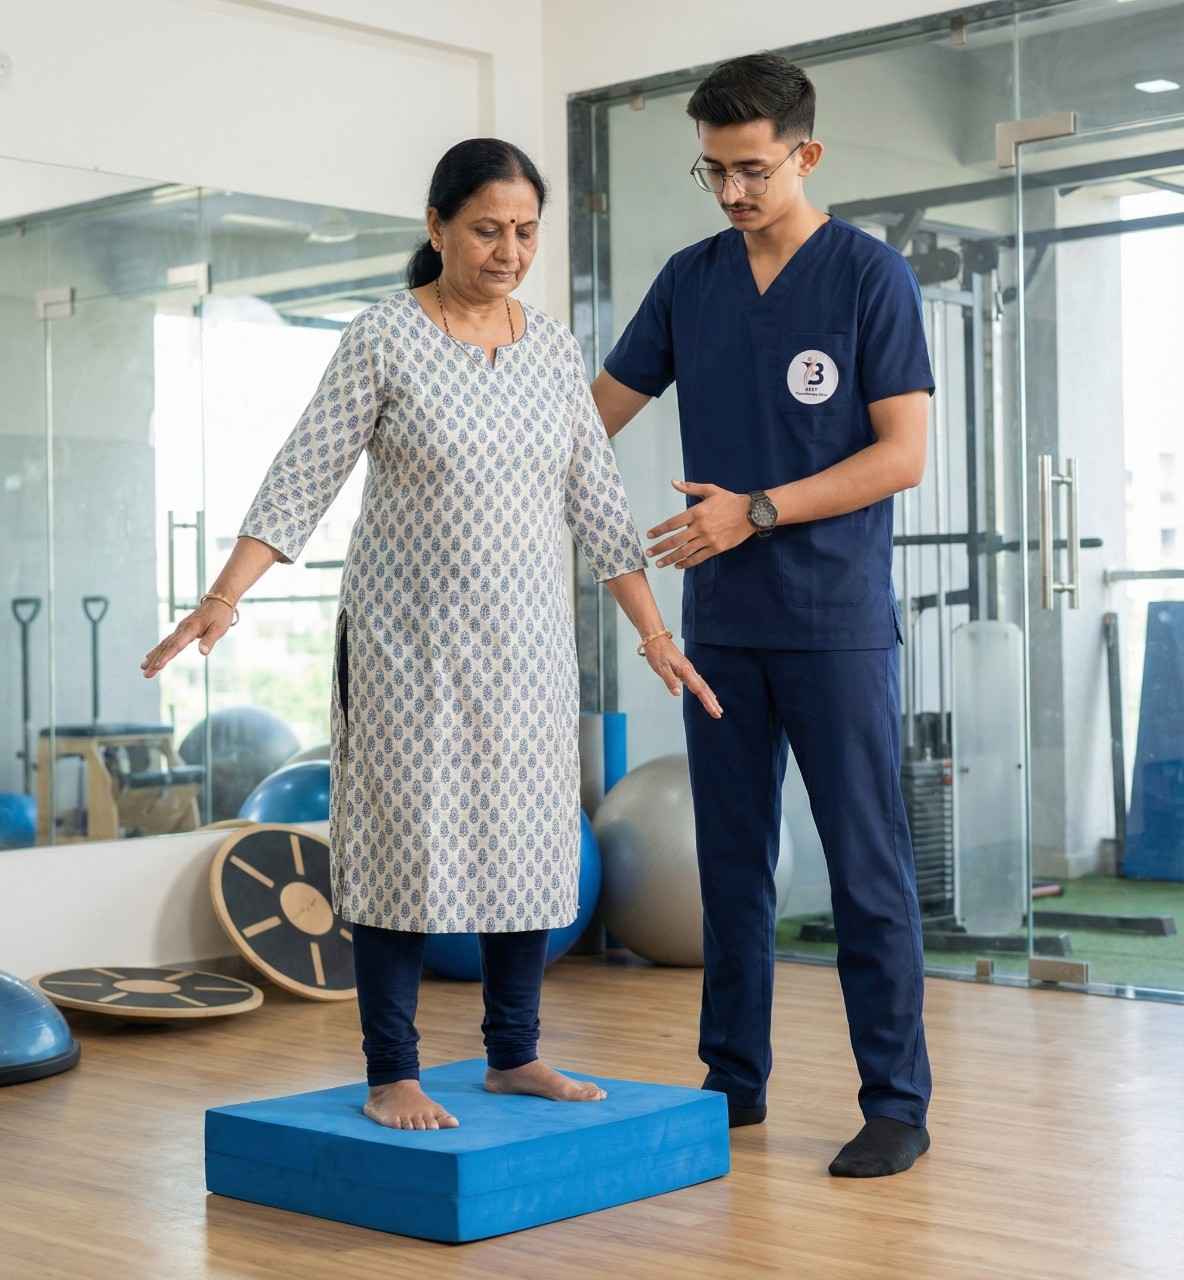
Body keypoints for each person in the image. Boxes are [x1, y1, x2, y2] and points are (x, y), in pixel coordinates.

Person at [140, 137, 720, 1132]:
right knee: (400, 850)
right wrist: (225, 595)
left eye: (525, 231)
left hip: (527, 649)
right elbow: (302, 473)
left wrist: (652, 632)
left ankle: (513, 1053)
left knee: (529, 846)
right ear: (437, 228)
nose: (508, 250)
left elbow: (596, 501)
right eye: (487, 229)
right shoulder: (382, 339)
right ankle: (391, 1068)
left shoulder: (548, 349)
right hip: (407, 648)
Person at [591, 54, 935, 1178]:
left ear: (804, 154)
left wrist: (757, 510)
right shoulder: (689, 279)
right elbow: (584, 419)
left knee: (863, 867)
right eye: (712, 171)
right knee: (728, 868)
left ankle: (893, 1101)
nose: (731, 192)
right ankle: (729, 1082)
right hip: (722, 626)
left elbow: (900, 455)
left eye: (750, 170)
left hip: (834, 621)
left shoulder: (867, 277)